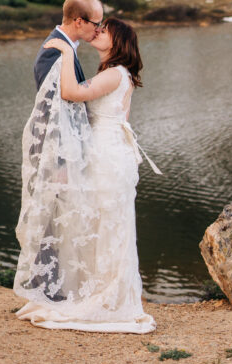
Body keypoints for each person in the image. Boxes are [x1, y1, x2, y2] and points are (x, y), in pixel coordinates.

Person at [14, 17, 159, 334]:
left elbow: (70, 92)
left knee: (104, 224)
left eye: (105, 30)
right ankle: (102, 292)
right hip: (111, 155)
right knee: (105, 225)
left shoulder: (113, 75)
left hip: (106, 159)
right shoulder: (119, 75)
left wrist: (66, 52)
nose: (99, 31)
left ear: (117, 41)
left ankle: (104, 299)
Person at [33, 0, 105, 90]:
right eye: (96, 24)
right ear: (79, 22)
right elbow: (51, 101)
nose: (98, 29)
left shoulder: (68, 45)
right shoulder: (51, 52)